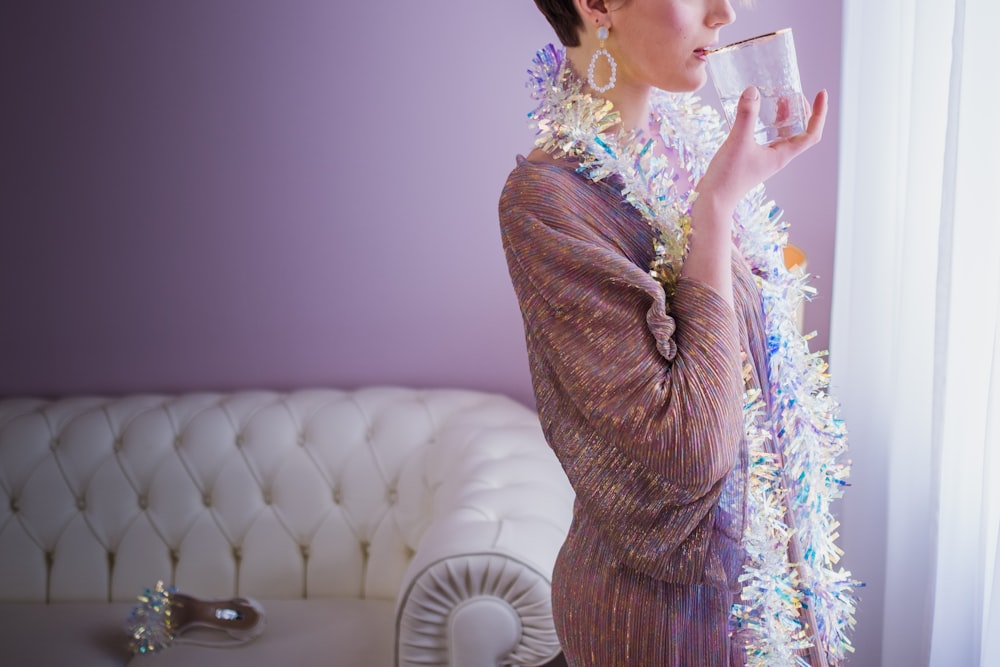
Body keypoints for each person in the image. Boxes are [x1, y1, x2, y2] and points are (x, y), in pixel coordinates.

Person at [498, 0, 856, 665]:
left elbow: (756, 390)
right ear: (598, 6)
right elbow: (690, 446)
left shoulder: (677, 157)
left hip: (758, 593)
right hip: (657, 622)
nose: (726, 11)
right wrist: (716, 211)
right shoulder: (547, 202)